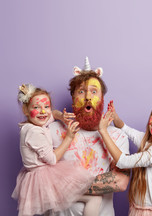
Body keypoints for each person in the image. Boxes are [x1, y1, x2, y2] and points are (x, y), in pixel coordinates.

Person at [49, 57, 130, 216]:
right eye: (81, 91)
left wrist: (67, 185)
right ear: (73, 99)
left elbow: (120, 181)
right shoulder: (52, 130)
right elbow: (40, 176)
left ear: (102, 99)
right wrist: (57, 115)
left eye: (94, 91)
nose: (87, 97)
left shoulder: (117, 136)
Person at [12, 83, 101, 216]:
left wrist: (61, 116)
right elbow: (52, 159)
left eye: (46, 106)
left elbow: (52, 114)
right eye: (36, 107)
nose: (43, 111)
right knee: (95, 198)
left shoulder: (34, 124)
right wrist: (69, 137)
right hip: (42, 178)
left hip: (38, 176)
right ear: (25, 110)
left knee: (50, 211)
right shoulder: (34, 132)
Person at [98, 96, 152, 216]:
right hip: (139, 209)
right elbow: (125, 128)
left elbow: (123, 161)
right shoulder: (148, 141)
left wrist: (103, 131)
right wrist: (115, 116)